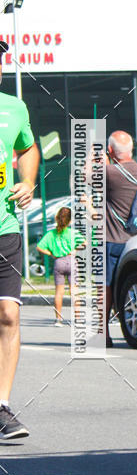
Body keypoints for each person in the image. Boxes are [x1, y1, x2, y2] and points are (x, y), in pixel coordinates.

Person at [0, 39, 40, 439]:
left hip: (4, 226)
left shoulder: (14, 107)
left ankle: (2, 407)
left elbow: (27, 148)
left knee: (9, 314)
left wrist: (27, 181)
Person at [105, 130, 137, 347]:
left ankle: (102, 333)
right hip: (136, 240)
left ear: (111, 150)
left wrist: (100, 158)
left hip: (111, 238)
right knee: (129, 284)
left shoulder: (110, 172)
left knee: (105, 286)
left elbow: (83, 176)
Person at [37, 206, 85, 325]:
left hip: (59, 261)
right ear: (70, 221)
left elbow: (39, 247)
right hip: (71, 261)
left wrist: (52, 254)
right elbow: (85, 243)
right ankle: (78, 318)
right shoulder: (73, 233)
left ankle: (58, 319)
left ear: (57, 218)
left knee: (59, 292)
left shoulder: (50, 234)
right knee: (74, 290)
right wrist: (74, 250)